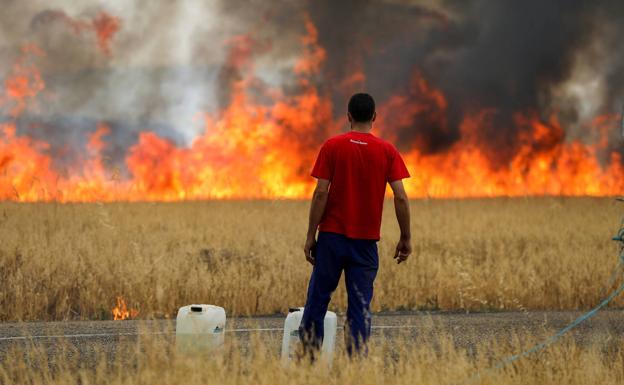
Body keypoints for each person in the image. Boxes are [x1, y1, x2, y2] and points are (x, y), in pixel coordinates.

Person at [299, 92, 412, 358]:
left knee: (317, 299)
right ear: (374, 117)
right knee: (360, 306)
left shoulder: (332, 146)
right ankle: (356, 364)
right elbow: (401, 196)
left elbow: (320, 192)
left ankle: (308, 361)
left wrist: (310, 235)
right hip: (365, 244)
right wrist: (405, 237)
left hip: (331, 239)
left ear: (348, 116)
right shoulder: (387, 151)